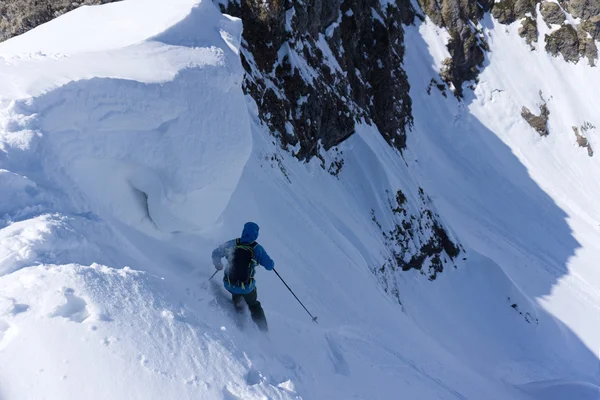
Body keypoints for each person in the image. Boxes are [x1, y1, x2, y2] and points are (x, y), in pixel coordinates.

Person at [212, 222, 274, 331]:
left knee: (237, 295)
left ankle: (240, 320)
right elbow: (269, 266)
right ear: (255, 235)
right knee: (254, 305)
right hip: (247, 287)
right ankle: (264, 331)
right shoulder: (257, 248)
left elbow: (216, 252)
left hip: (229, 284)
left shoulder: (233, 243)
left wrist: (218, 263)